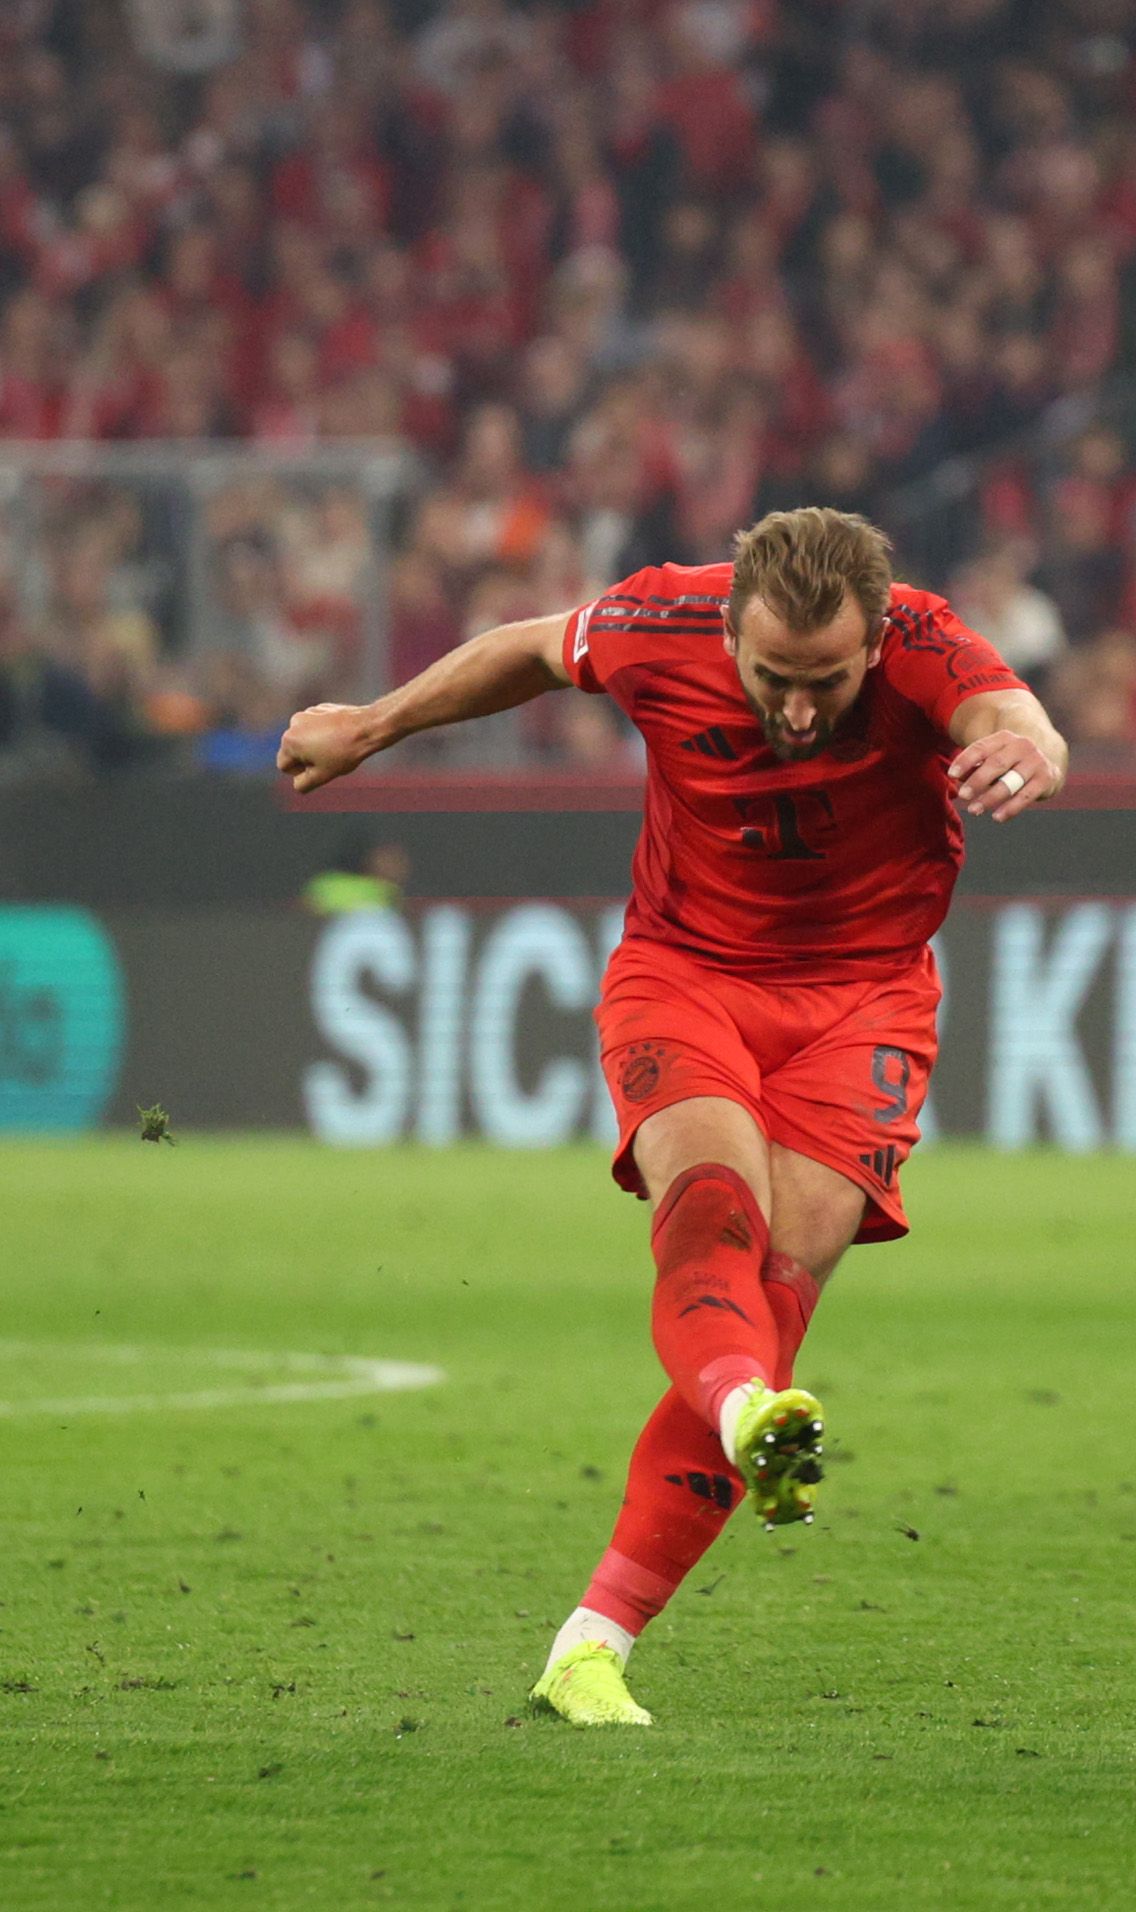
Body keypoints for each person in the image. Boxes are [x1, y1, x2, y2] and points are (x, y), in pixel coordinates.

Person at [275, 508, 1069, 1727]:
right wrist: (372, 726)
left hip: (865, 998)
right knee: (712, 1211)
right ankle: (747, 1403)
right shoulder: (659, 616)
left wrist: (1033, 748)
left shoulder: (927, 640)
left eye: (828, 681)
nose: (798, 710)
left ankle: (590, 1646)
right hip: (686, 971)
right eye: (771, 678)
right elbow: (530, 649)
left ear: (875, 642)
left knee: (783, 1281)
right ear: (731, 628)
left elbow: (1015, 717)